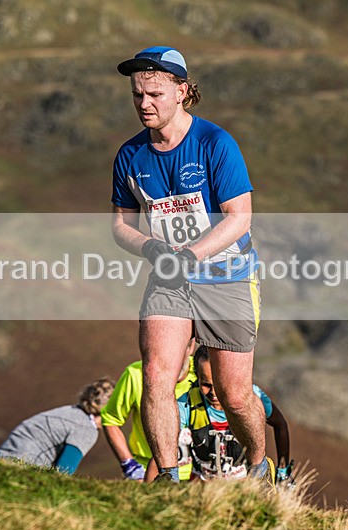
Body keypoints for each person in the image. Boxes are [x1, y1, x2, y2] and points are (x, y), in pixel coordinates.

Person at [111, 46, 269, 484]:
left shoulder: (216, 144)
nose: (144, 103)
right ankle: (167, 478)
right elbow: (121, 227)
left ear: (181, 91)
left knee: (234, 394)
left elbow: (240, 218)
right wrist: (150, 248)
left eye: (155, 94)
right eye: (137, 94)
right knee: (157, 375)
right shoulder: (129, 156)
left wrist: (191, 255)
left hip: (227, 275)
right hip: (168, 279)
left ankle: (258, 464)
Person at [145, 346, 292, 483]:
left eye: (219, 384)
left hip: (245, 484)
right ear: (197, 377)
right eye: (206, 385)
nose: (214, 393)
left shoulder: (252, 397)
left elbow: (280, 425)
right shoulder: (187, 402)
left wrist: (283, 472)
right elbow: (166, 439)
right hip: (203, 484)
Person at [100, 337, 197, 481]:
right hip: (148, 473)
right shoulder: (135, 374)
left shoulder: (205, 372)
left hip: (197, 475)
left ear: (191, 347)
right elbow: (110, 420)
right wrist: (130, 467)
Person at [0, 378, 114, 475]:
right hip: (24, 466)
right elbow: (63, 472)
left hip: (3, 456)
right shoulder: (87, 428)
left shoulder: (69, 411)